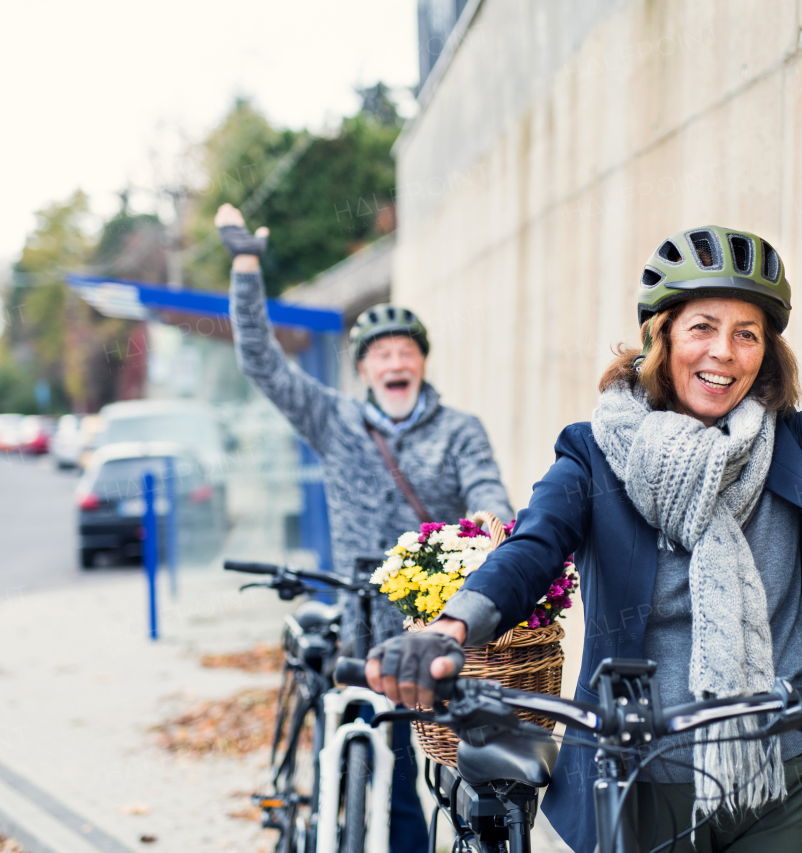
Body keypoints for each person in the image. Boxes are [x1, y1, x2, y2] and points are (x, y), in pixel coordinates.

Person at [366, 52, 802, 853]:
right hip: (643, 776)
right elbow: (533, 547)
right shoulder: (593, 457)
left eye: (746, 334)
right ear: (662, 340)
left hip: (789, 773)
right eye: (702, 327)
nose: (723, 353)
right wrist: (454, 627)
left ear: (765, 354)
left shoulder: (790, 447)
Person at [217, 202, 514, 853]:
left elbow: (487, 487)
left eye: (405, 350)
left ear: (421, 363)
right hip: (360, 617)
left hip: (434, 620)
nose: (394, 361)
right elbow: (263, 363)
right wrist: (245, 266)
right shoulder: (334, 420)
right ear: (363, 371)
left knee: (464, 764)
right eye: (380, 353)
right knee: (373, 768)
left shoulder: (459, 429)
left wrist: (492, 518)